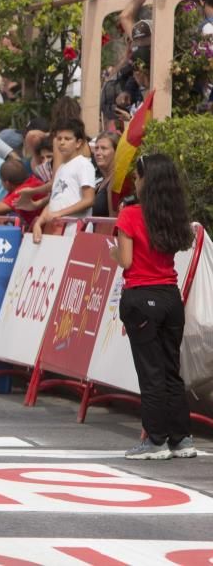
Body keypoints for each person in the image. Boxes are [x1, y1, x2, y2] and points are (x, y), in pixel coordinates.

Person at [110, 153, 197, 460]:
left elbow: (126, 261)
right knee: (171, 369)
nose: (135, 181)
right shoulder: (173, 214)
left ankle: (155, 440)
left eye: (137, 176)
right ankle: (181, 438)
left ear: (146, 179)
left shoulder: (131, 215)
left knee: (150, 371)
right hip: (170, 296)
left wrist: (112, 253)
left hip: (140, 295)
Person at [32, 119, 97, 242]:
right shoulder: (61, 168)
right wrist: (39, 222)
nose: (62, 142)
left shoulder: (84, 164)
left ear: (78, 143)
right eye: (59, 138)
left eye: (67, 139)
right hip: (57, 232)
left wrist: (59, 213)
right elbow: (54, 199)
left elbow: (89, 200)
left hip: (76, 232)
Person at [92, 131, 120, 218]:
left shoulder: (116, 181)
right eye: (96, 148)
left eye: (104, 148)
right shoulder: (101, 182)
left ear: (116, 152)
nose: (98, 153)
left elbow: (113, 220)